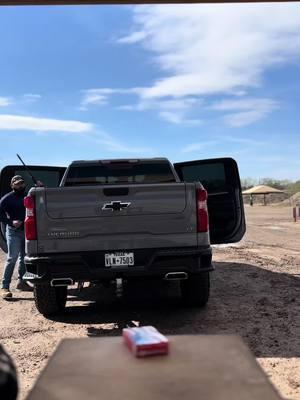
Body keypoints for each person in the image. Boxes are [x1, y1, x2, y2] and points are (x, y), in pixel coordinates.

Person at [0, 175, 32, 299]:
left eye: (22, 183)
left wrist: (41, 187)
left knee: (25, 257)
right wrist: (10, 222)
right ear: (12, 185)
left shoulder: (28, 196)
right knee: (12, 258)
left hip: (27, 231)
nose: (20, 185)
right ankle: (4, 287)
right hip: (13, 231)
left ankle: (22, 283)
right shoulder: (6, 199)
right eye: (17, 184)